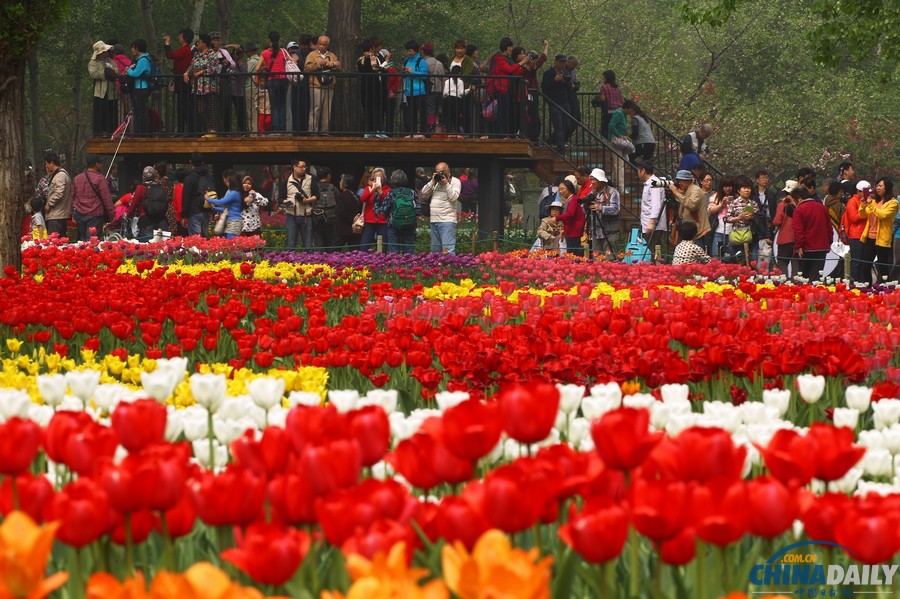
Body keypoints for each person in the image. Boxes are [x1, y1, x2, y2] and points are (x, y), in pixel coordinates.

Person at [859, 177, 898, 283]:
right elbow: (863, 214)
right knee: (865, 265)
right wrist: (863, 204)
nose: (878, 188)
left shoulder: (893, 203)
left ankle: (885, 289)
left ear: (887, 187)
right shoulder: (875, 201)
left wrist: (871, 204)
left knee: (882, 267)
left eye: (881, 186)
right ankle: (867, 288)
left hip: (882, 239)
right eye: (877, 186)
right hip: (870, 238)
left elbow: (883, 215)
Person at [488, 37, 527, 137]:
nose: (511, 49)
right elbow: (508, 69)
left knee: (510, 111)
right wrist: (521, 63)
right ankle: (501, 134)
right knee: (503, 112)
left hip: (511, 89)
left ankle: (509, 133)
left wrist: (526, 65)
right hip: (502, 88)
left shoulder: (510, 59)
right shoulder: (499, 57)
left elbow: (516, 72)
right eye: (509, 46)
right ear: (505, 47)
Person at [71, 154, 115, 241]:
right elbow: (106, 198)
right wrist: (111, 214)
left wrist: (72, 213)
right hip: (95, 215)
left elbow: (72, 197)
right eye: (100, 163)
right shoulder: (100, 179)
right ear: (96, 164)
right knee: (92, 241)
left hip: (80, 214)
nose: (101, 165)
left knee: (83, 241)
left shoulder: (77, 178)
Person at [420, 162, 461, 254]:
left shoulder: (455, 181)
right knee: (435, 252)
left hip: (447, 221)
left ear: (448, 171)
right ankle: (437, 268)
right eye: (438, 172)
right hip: (434, 220)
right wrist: (433, 181)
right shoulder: (436, 181)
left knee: (448, 251)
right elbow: (424, 192)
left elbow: (453, 197)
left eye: (442, 172)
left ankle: (450, 268)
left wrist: (446, 184)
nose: (440, 174)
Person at [792, 187, 832, 282]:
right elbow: (829, 229)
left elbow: (798, 231)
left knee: (804, 278)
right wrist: (828, 242)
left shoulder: (799, 210)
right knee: (816, 277)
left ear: (799, 198)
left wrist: (799, 246)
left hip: (806, 248)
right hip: (822, 247)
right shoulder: (822, 207)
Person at [376, 169, 420, 254]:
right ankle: (409, 266)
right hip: (409, 224)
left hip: (393, 224)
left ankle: (395, 266)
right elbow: (418, 209)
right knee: (409, 250)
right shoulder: (411, 192)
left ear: (393, 180)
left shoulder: (391, 193)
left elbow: (383, 210)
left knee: (393, 251)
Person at [305, 35, 341, 134]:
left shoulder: (332, 55)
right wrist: (318, 64)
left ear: (327, 45)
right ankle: (313, 132)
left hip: (329, 86)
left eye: (324, 45)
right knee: (315, 109)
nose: (321, 46)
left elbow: (339, 65)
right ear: (317, 44)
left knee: (327, 111)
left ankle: (325, 132)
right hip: (316, 86)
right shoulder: (312, 55)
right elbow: (307, 68)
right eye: (320, 44)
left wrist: (332, 64)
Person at [184, 34, 219, 137]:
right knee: (200, 109)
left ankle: (213, 131)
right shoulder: (196, 55)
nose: (197, 44)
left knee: (211, 108)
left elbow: (214, 68)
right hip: (198, 86)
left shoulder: (212, 54)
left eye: (199, 41)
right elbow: (192, 66)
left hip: (209, 85)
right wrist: (186, 73)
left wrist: (201, 72)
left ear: (204, 43)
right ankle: (209, 128)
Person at [283, 159, 319, 249]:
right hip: (291, 216)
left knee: (308, 246)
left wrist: (307, 200)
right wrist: (288, 202)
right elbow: (280, 199)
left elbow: (317, 195)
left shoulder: (311, 179)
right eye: (301, 167)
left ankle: (310, 261)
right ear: (294, 167)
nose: (304, 169)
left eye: (305, 167)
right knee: (290, 245)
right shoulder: (287, 181)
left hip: (307, 216)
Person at [669, 169, 710, 246]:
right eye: (679, 180)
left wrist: (676, 192)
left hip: (696, 231)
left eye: (682, 181)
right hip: (686, 228)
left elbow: (692, 205)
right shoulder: (685, 189)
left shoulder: (696, 190)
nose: (679, 183)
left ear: (688, 181)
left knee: (695, 255)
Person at [164, 29, 195, 133]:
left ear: (185, 38)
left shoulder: (185, 50)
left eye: (180, 36)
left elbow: (170, 55)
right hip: (180, 82)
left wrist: (167, 43)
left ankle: (186, 130)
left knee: (184, 107)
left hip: (183, 83)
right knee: (181, 107)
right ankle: (182, 130)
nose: (178, 37)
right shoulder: (183, 49)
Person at [258, 31, 289, 132]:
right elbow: (292, 61)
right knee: (282, 105)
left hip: (271, 80)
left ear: (269, 40)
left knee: (274, 106)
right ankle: (282, 128)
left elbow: (257, 68)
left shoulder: (265, 53)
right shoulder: (283, 51)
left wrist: (266, 67)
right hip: (283, 80)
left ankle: (275, 129)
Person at [541, 54, 571, 154]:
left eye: (564, 62)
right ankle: (560, 148)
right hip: (554, 102)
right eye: (561, 62)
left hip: (565, 101)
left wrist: (562, 81)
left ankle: (552, 141)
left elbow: (569, 85)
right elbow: (544, 86)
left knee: (567, 125)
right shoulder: (549, 73)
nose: (562, 64)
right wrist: (555, 80)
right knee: (559, 126)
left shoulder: (566, 73)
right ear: (556, 62)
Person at [586, 168, 620, 256]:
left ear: (601, 180)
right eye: (592, 179)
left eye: (594, 179)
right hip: (596, 232)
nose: (592, 182)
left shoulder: (613, 192)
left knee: (610, 259)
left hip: (610, 232)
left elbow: (615, 209)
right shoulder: (592, 193)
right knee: (596, 260)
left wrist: (601, 208)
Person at [841, 181, 869, 283]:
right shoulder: (852, 201)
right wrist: (865, 211)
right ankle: (854, 282)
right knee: (856, 262)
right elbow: (854, 217)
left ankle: (861, 282)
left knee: (863, 262)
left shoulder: (867, 200)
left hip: (865, 234)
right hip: (856, 235)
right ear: (859, 191)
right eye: (866, 191)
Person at [725, 176, 757, 267]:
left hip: (751, 235)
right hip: (738, 236)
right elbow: (727, 218)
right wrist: (739, 218)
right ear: (739, 190)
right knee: (740, 260)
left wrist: (751, 217)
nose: (747, 190)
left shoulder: (753, 203)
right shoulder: (734, 203)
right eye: (744, 188)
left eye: (749, 188)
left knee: (753, 260)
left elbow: (758, 219)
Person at [181, 152, 215, 237]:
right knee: (204, 241)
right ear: (203, 162)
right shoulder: (209, 177)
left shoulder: (189, 179)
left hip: (194, 212)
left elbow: (186, 199)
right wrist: (211, 212)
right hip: (206, 211)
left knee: (195, 242)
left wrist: (184, 215)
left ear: (190, 162)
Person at [88, 41, 118, 136]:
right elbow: (94, 73)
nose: (107, 53)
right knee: (100, 112)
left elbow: (117, 69)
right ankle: (99, 132)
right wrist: (105, 72)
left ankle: (111, 132)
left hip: (111, 91)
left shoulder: (110, 60)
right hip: (100, 92)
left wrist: (112, 70)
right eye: (105, 51)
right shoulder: (93, 62)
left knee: (111, 112)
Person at [358, 37, 386, 135]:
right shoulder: (372, 58)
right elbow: (376, 68)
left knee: (367, 109)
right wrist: (385, 64)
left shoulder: (360, 59)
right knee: (376, 109)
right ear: (371, 48)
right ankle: (377, 130)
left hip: (364, 86)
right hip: (374, 86)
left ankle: (368, 130)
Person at [638, 163, 667, 258]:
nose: (638, 173)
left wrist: (651, 222)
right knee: (649, 250)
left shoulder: (654, 182)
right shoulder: (649, 183)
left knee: (654, 250)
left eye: (638, 171)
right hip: (647, 223)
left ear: (643, 170)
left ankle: (657, 269)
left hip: (654, 225)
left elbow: (656, 204)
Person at [772, 183, 800, 277]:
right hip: (798, 239)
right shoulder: (800, 204)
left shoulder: (782, 205)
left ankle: (784, 285)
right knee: (796, 265)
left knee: (783, 264)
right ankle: (796, 286)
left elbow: (777, 221)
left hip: (784, 239)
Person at [206, 172, 244, 239]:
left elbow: (221, 202)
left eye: (229, 182)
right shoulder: (236, 193)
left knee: (230, 243)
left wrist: (208, 199)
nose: (227, 183)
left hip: (234, 221)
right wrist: (214, 208)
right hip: (232, 221)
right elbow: (226, 209)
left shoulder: (234, 193)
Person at [359, 167, 390, 250]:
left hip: (382, 220)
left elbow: (388, 202)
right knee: (364, 246)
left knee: (383, 246)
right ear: (373, 178)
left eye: (380, 177)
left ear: (384, 178)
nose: (378, 179)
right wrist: (372, 189)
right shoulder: (368, 188)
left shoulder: (388, 190)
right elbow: (362, 199)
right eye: (376, 177)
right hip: (369, 220)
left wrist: (380, 191)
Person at [125, 39, 152, 135]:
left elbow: (136, 73)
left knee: (140, 111)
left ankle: (140, 131)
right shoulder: (140, 59)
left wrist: (128, 71)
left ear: (137, 48)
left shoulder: (143, 60)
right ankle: (139, 130)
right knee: (138, 110)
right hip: (138, 87)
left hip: (141, 88)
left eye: (133, 47)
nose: (132, 50)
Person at [43, 151, 72, 238]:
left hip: (57, 215)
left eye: (46, 164)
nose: (46, 166)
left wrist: (49, 204)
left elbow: (59, 192)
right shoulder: (58, 175)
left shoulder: (60, 175)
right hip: (58, 214)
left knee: (54, 241)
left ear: (52, 163)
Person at [402, 41, 428, 136]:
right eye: (407, 51)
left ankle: (423, 132)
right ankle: (412, 132)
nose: (409, 53)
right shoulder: (407, 60)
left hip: (419, 91)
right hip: (409, 91)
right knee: (411, 114)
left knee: (422, 113)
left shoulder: (421, 61)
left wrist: (413, 72)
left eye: (410, 51)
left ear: (415, 51)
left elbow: (425, 75)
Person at [137, 166, 169, 241]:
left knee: (146, 248)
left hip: (146, 220)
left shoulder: (142, 187)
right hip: (162, 221)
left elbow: (134, 204)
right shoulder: (161, 186)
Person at [556, 178, 585, 257]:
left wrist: (556, 218)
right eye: (559, 190)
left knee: (573, 254)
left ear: (569, 188)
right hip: (570, 231)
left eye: (563, 189)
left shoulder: (573, 200)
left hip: (574, 231)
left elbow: (570, 214)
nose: (561, 192)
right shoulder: (570, 200)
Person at [708, 176, 735, 259]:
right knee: (716, 255)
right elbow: (710, 210)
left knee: (729, 257)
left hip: (733, 232)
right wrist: (721, 205)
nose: (727, 189)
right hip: (719, 231)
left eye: (730, 186)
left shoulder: (737, 197)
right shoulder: (715, 196)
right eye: (725, 186)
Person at [420, 43, 445, 133]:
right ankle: (435, 128)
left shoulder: (424, 63)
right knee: (436, 110)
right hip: (439, 90)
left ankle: (429, 128)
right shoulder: (439, 63)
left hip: (429, 90)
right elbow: (443, 77)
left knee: (429, 109)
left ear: (424, 51)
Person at [622, 100, 655, 164]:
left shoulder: (635, 118)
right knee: (646, 163)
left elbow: (635, 133)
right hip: (651, 142)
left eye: (625, 109)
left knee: (629, 157)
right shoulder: (642, 117)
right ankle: (644, 173)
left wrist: (628, 136)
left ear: (630, 109)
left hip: (643, 142)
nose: (624, 111)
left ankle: (638, 172)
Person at [313, 167, 338, 249]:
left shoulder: (314, 188)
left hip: (317, 219)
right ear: (328, 176)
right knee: (331, 243)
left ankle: (319, 260)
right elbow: (339, 203)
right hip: (331, 219)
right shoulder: (333, 188)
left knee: (319, 243)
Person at [335, 174, 362, 249]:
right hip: (355, 229)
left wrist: (352, 220)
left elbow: (341, 213)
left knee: (334, 250)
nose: (339, 182)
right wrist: (355, 220)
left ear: (344, 183)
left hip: (343, 230)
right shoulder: (356, 196)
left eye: (341, 181)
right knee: (355, 251)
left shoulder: (342, 196)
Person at [597, 70, 623, 140]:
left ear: (606, 77)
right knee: (615, 129)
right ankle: (617, 142)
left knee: (603, 130)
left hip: (609, 111)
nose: (603, 78)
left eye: (603, 77)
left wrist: (598, 97)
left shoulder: (604, 87)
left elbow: (602, 98)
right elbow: (622, 99)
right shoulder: (617, 88)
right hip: (619, 111)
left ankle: (613, 141)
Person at [563, 55, 580, 141]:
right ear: (568, 62)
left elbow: (574, 83)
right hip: (565, 96)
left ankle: (565, 138)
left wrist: (576, 86)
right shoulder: (562, 70)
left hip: (573, 95)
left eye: (576, 65)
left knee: (577, 118)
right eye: (573, 64)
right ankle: (555, 139)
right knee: (566, 119)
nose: (574, 67)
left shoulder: (573, 71)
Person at [244, 42, 260, 133]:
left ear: (249, 52)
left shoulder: (252, 61)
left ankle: (253, 132)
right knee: (256, 111)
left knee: (251, 112)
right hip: (257, 88)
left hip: (250, 88)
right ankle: (256, 130)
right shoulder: (259, 60)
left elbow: (245, 74)